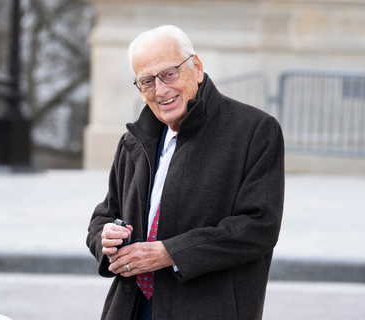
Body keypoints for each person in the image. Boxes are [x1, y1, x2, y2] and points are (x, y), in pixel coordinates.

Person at [86, 25, 285, 320]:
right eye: (147, 81)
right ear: (140, 91)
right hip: (130, 308)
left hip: (207, 309)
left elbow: (258, 227)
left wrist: (169, 253)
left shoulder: (255, 130)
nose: (162, 90)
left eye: (169, 74)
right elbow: (102, 217)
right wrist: (106, 239)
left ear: (197, 68)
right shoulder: (133, 141)